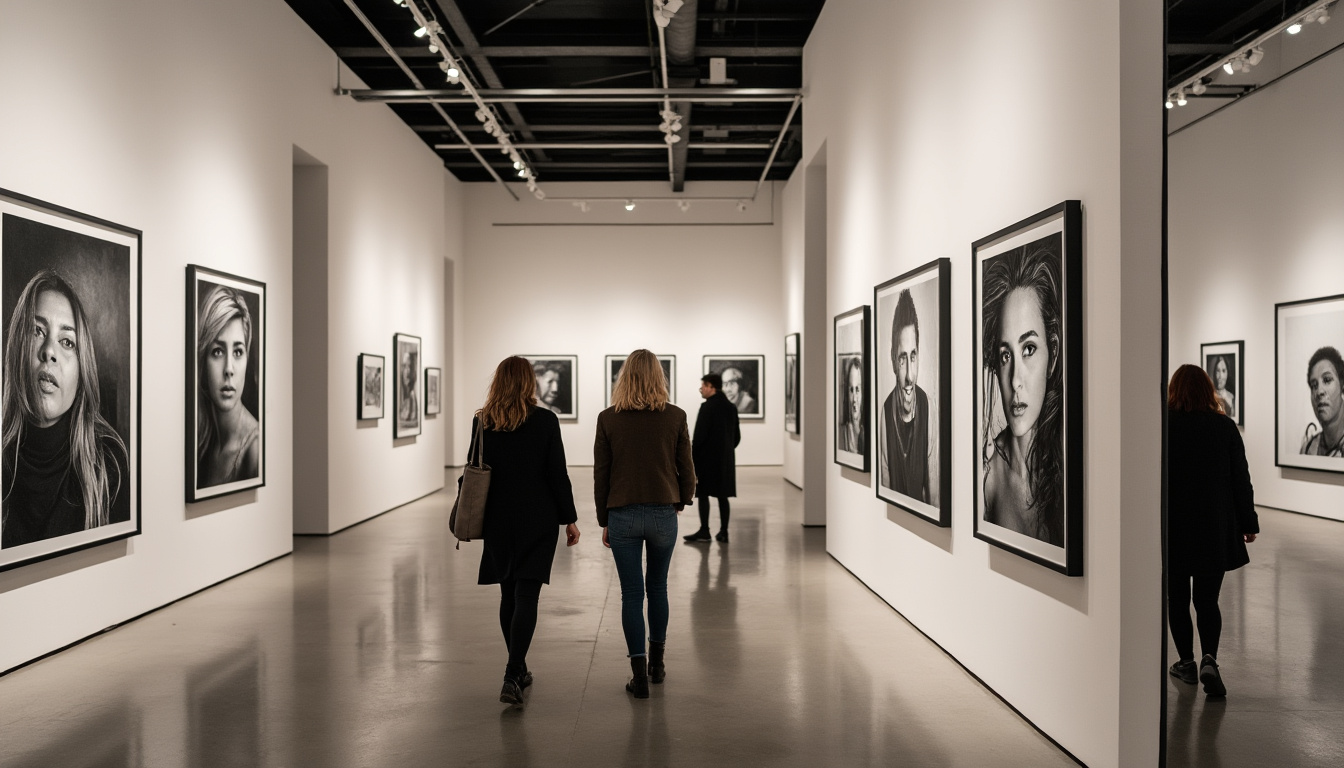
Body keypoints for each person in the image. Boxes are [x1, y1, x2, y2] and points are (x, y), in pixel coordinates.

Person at [468, 356, 580, 708]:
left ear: (498, 381)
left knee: (508, 594)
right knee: (528, 595)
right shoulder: (545, 420)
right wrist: (570, 519)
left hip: (498, 519)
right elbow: (556, 474)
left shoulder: (483, 420)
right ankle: (514, 671)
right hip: (538, 517)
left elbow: (474, 464)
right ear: (530, 382)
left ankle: (518, 669)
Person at [2, 270, 129, 548]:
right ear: (16, 349)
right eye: (37, 331)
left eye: (67, 342)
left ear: (83, 370)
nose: (49, 351)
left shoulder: (109, 467)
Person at [594, 349, 695, 699]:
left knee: (632, 594)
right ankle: (658, 666)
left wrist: (603, 518)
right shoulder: (676, 416)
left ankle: (638, 678)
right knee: (658, 589)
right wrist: (679, 500)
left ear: (624, 378)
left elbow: (601, 475)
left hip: (621, 513)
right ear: (659, 377)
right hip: (662, 512)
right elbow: (688, 468)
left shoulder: (608, 418)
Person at [1166, 363, 1258, 697]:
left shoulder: (1164, 426)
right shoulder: (1225, 428)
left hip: (1173, 529)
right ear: (1209, 390)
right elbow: (1240, 480)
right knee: (1208, 600)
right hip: (1213, 529)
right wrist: (1248, 523)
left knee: (1177, 598)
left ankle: (1186, 662)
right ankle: (1209, 659)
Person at [980, 241, 1064, 545]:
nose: (1015, 379)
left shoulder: (1070, 468)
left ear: (1052, 354)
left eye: (1028, 349)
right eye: (1005, 355)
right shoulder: (987, 475)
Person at [196, 285, 260, 488]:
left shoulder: (255, 450)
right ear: (203, 359)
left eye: (238, 352)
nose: (229, 369)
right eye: (217, 352)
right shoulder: (203, 441)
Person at [880, 289, 930, 501]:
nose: (909, 376)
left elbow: (934, 497)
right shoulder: (885, 413)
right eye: (902, 359)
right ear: (893, 360)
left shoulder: (928, 408)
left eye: (913, 356)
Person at [684, 372, 740, 543]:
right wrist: (726, 451)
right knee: (723, 495)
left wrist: (692, 459)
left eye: (703, 385)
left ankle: (704, 530)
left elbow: (699, 436)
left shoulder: (707, 407)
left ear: (711, 387)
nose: (700, 389)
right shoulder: (731, 407)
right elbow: (736, 437)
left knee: (703, 494)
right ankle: (724, 531)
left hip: (706, 460)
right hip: (725, 460)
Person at [1300, 346, 1344, 457]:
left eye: (1327, 380)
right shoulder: (1308, 449)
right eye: (1314, 386)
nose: (1319, 392)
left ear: (1342, 385)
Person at [839, 356, 865, 454]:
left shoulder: (867, 434)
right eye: (851, 390)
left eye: (857, 390)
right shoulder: (843, 434)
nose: (854, 399)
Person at [1210, 355, 1236, 420]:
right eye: (1217, 371)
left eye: (1223, 371)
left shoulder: (1231, 398)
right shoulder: (1210, 397)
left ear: (1227, 373)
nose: (1220, 376)